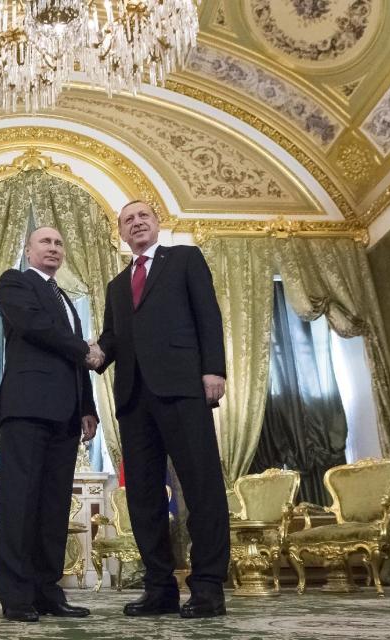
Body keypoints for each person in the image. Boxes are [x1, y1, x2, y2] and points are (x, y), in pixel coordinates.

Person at [90, 200, 230, 618]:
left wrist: (213, 370)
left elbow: (208, 314)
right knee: (144, 498)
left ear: (156, 223)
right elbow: (111, 339)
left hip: (183, 388)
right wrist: (90, 353)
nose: (136, 223)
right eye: (128, 220)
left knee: (201, 488)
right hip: (134, 398)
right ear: (121, 233)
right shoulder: (117, 285)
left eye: (142, 216)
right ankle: (159, 588)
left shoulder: (184, 258)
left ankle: (207, 587)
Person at [0, 227, 101, 621]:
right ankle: (17, 598)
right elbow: (36, 326)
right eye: (45, 242)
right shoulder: (15, 282)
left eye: (58, 243)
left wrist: (88, 406)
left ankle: (46, 591)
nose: (53, 248)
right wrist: (86, 349)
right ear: (28, 249)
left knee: (53, 507)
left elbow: (74, 361)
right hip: (27, 409)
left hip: (67, 414)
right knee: (19, 505)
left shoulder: (67, 300)